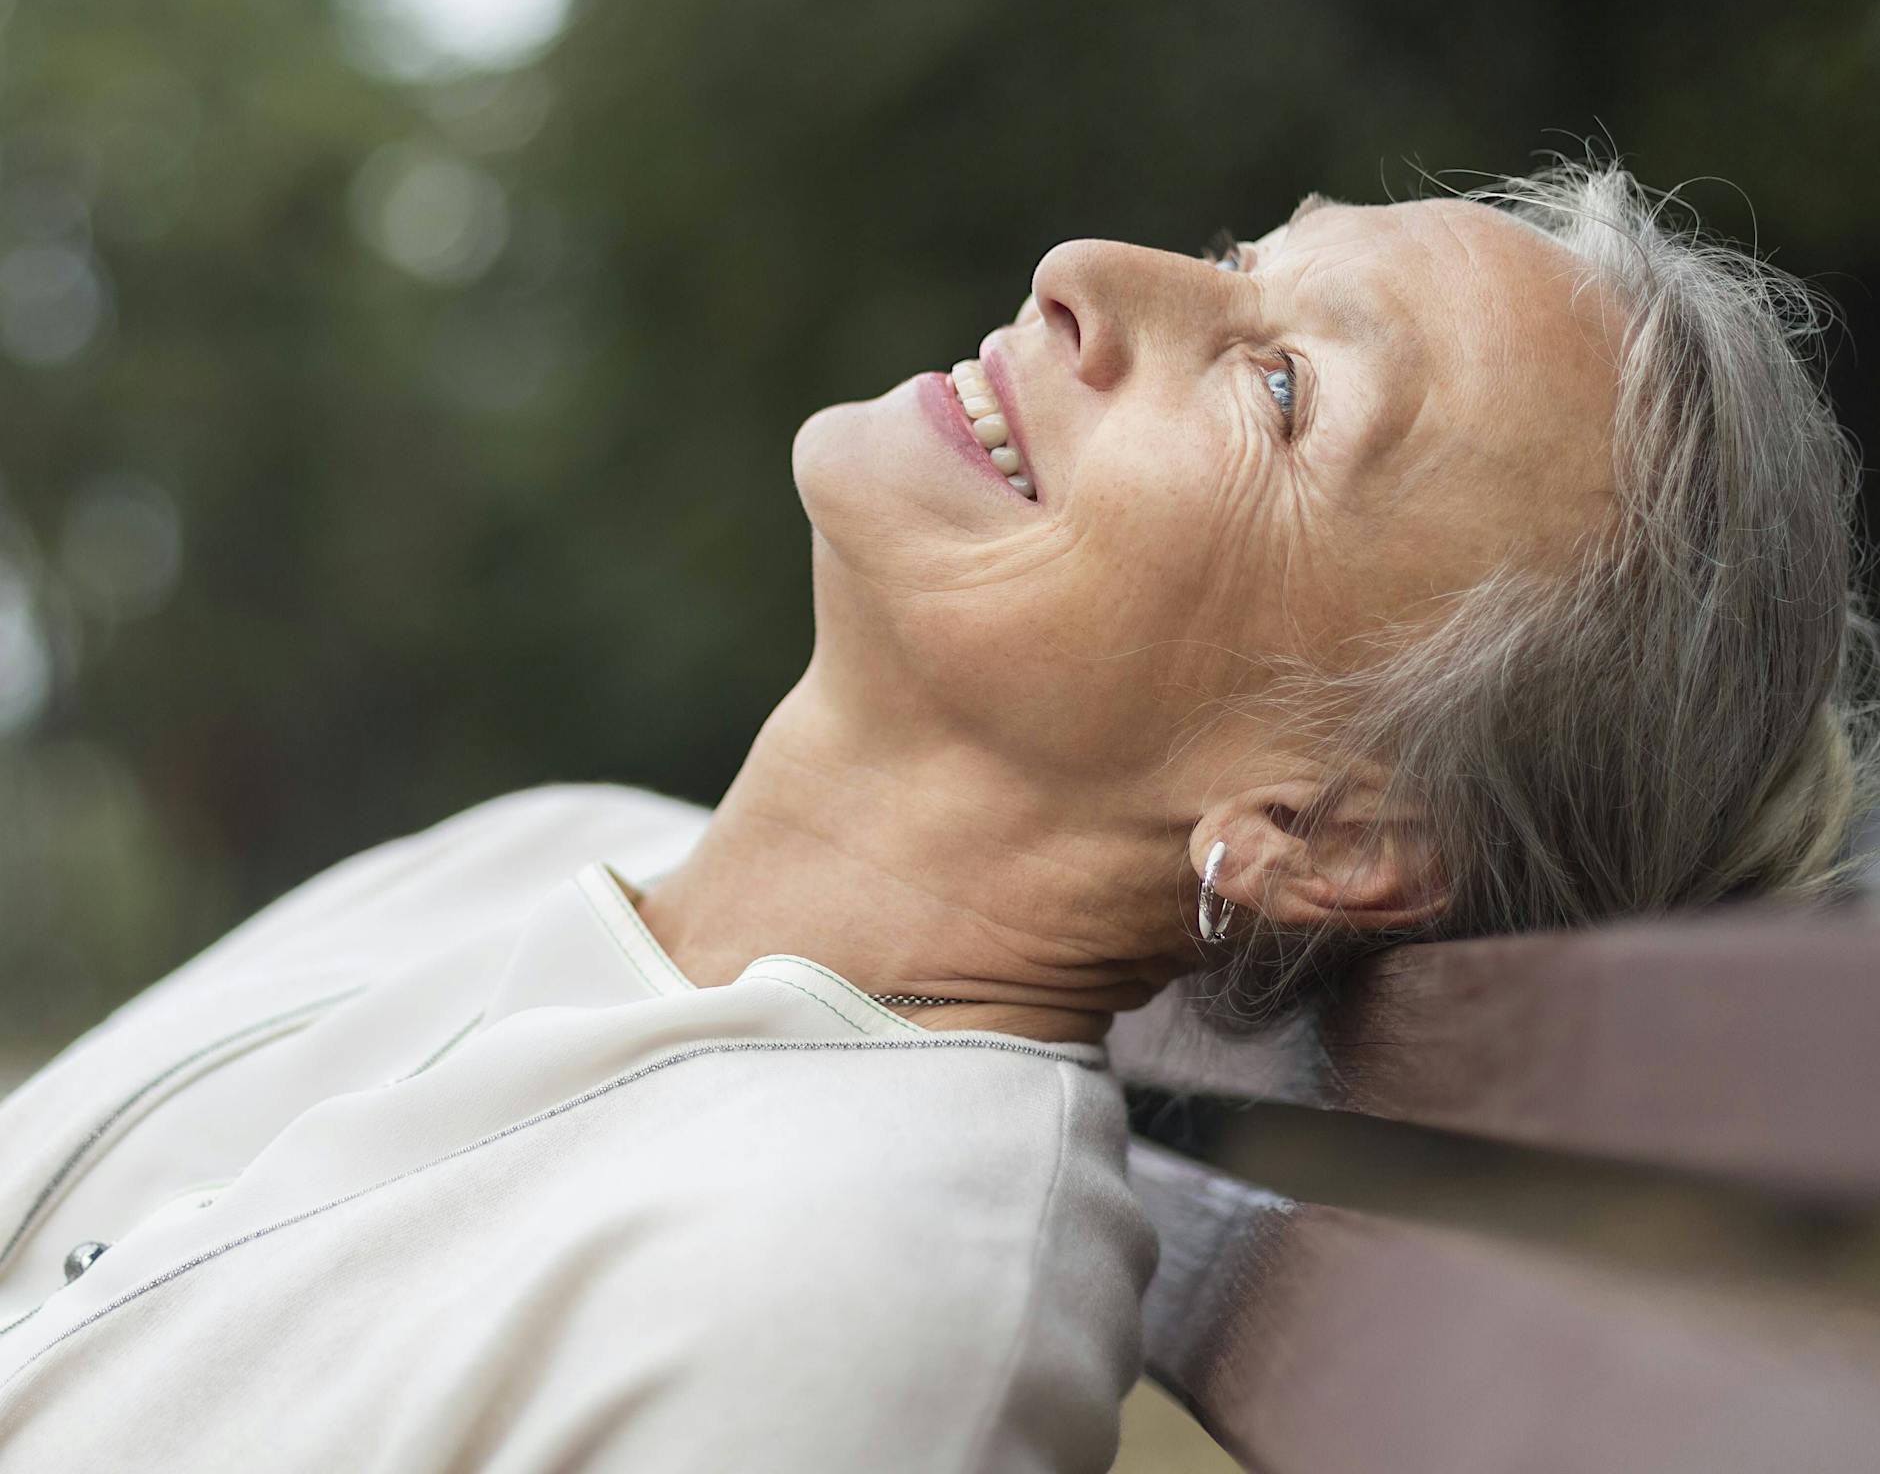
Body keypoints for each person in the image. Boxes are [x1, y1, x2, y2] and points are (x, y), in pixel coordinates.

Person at [0, 157, 1871, 1469]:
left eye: (1287, 389)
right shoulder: (531, 840)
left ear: (1327, 827)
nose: (1088, 270)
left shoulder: (861, 1319)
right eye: (1243, 255)